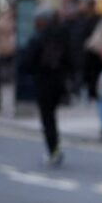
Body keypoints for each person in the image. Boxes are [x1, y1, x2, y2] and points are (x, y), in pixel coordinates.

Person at [20, 10, 70, 167]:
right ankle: (55, 148)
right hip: (59, 82)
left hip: (43, 83)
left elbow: (27, 62)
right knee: (51, 117)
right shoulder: (62, 36)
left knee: (47, 119)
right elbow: (70, 58)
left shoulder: (38, 38)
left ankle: (53, 151)